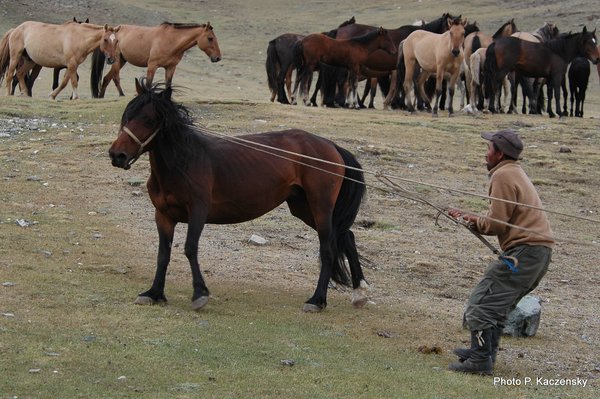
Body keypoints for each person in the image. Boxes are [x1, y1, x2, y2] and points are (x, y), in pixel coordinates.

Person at [447, 129, 554, 375]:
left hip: (525, 252)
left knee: (481, 304)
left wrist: (468, 218)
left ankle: (481, 360)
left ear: (500, 153)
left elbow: (496, 224)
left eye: (488, 149)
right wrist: (470, 217)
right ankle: (482, 352)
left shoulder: (503, 175)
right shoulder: (514, 172)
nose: (486, 154)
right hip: (537, 253)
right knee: (497, 305)